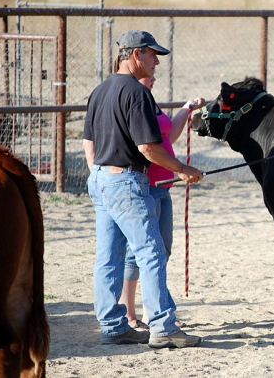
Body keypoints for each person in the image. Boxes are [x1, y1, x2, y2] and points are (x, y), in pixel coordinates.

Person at [83, 30, 204, 348]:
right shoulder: (137, 93)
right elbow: (149, 148)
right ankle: (163, 326)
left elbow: (89, 139)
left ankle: (112, 325)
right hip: (126, 181)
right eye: (153, 55)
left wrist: (100, 173)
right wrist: (183, 170)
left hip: (101, 179)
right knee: (151, 253)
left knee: (108, 258)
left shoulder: (100, 90)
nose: (156, 63)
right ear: (136, 54)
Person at [118, 74, 205, 331]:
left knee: (161, 250)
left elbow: (168, 135)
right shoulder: (135, 102)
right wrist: (180, 168)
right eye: (150, 73)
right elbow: (147, 147)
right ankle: (129, 313)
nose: (155, 76)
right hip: (146, 186)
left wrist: (186, 109)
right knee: (139, 253)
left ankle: (156, 310)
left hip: (164, 187)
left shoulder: (150, 102)